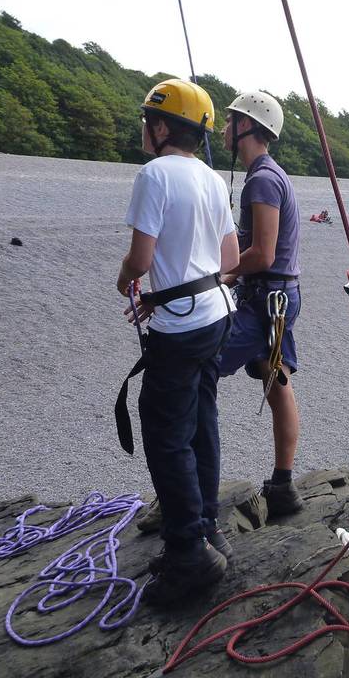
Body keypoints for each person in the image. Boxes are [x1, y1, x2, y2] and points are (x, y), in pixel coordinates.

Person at [116, 78, 238, 605]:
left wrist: (127, 282)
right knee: (200, 419)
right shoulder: (212, 180)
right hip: (217, 316)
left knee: (165, 431)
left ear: (162, 127)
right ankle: (207, 526)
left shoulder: (154, 174)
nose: (145, 130)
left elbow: (140, 261)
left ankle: (189, 550)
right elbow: (229, 261)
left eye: (148, 121)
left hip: (182, 325)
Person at [217, 91, 305, 517]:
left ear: (247, 127)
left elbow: (263, 254)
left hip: (265, 300)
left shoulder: (262, 179)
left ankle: (194, 483)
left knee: (200, 367)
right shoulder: (270, 174)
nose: (225, 127)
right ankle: (283, 486)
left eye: (231, 120)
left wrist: (219, 277)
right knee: (278, 381)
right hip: (277, 298)